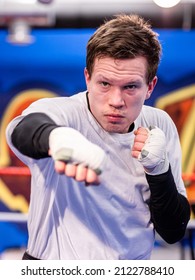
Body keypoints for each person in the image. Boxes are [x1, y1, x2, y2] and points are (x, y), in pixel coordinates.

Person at [6, 14, 190, 260]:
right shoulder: (65, 113)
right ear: (87, 78)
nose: (116, 101)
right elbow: (21, 130)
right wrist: (57, 138)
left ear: (151, 87)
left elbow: (172, 231)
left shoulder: (159, 125)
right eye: (104, 84)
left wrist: (159, 173)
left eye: (131, 87)